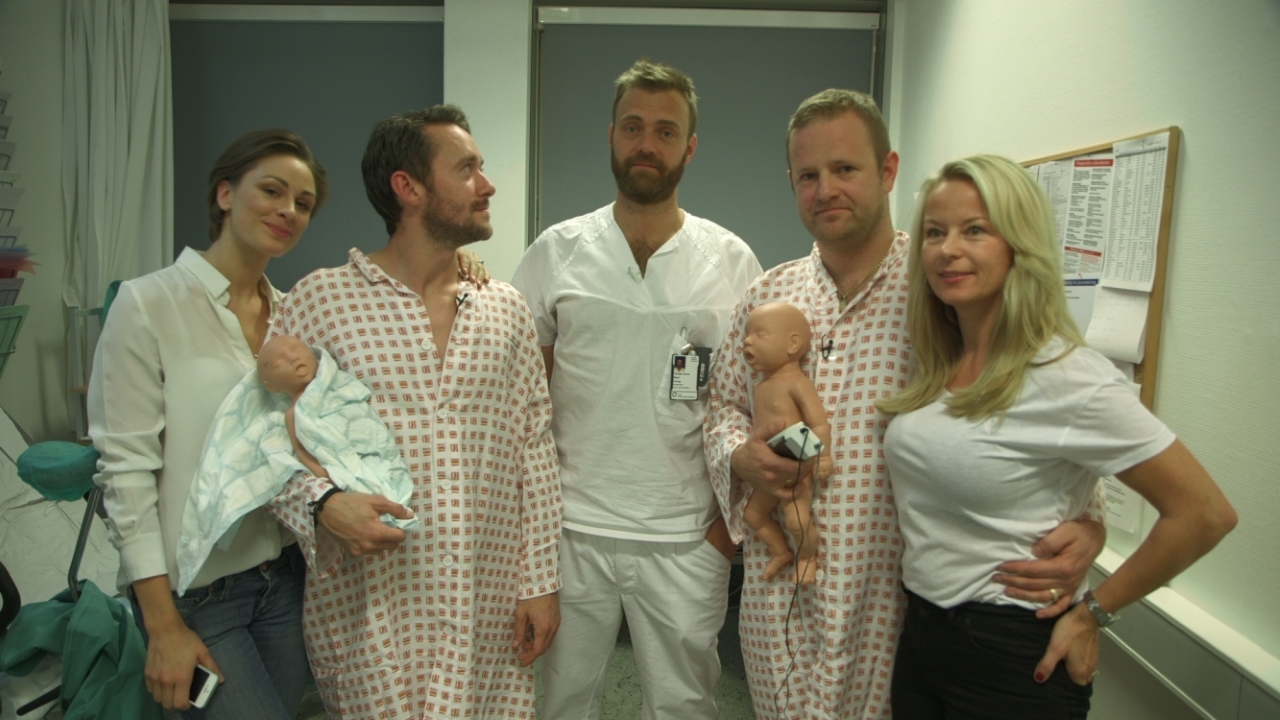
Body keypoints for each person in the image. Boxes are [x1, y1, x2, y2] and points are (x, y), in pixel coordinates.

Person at [704, 90, 1108, 719]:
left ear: (887, 170)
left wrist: (1091, 523)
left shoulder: (942, 291)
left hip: (896, 609)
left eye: (845, 168)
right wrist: (739, 454)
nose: (825, 189)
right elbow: (723, 407)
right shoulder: (767, 294)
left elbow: (1030, 408)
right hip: (782, 598)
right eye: (808, 176)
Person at [879, 154, 1236, 718]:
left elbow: (1204, 514)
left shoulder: (1066, 375)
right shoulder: (940, 364)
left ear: (1019, 246)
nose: (948, 249)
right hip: (923, 636)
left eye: (975, 230)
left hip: (1010, 652)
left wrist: (1094, 612)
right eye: (935, 232)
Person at [264, 105, 562, 720]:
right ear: (409, 187)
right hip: (374, 615)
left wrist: (540, 583)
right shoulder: (320, 303)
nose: (488, 184)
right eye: (468, 169)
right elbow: (263, 437)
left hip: (488, 611)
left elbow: (534, 449)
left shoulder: (505, 309)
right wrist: (321, 504)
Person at [511, 59, 761, 719]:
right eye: (632, 127)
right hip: (572, 531)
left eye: (665, 131)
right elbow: (521, 400)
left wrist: (727, 531)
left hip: (687, 536)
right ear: (612, 135)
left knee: (684, 706)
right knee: (564, 703)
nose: (646, 144)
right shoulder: (557, 251)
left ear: (690, 146)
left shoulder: (731, 262)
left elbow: (755, 402)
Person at [88, 128, 329, 718]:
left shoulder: (293, 315)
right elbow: (125, 472)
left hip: (285, 581)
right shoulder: (148, 304)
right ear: (224, 194)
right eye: (272, 191)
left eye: (303, 203)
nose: (288, 211)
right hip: (197, 597)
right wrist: (161, 624)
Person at [741, 302, 831, 584]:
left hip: (795, 466)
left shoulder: (796, 382)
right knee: (753, 515)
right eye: (746, 335)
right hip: (767, 471)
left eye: (760, 334)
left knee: (797, 521)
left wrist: (823, 457)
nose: (747, 341)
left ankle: (807, 558)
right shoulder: (759, 386)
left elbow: (818, 423)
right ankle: (780, 551)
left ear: (793, 344)